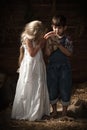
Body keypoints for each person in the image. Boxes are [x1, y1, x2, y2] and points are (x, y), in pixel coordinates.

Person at [11, 20, 50, 121]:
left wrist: (46, 40)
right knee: (29, 86)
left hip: (38, 64)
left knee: (39, 85)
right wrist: (40, 43)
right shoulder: (27, 38)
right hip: (30, 66)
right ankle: (27, 111)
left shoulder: (39, 37)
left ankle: (38, 111)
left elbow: (44, 50)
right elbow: (32, 53)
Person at [44, 15, 73, 117]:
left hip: (64, 68)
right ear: (52, 26)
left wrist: (59, 45)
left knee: (65, 88)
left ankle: (64, 113)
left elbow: (69, 53)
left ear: (64, 27)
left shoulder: (67, 39)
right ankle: (55, 111)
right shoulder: (50, 39)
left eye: (59, 27)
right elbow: (47, 54)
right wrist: (51, 44)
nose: (57, 29)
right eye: (55, 27)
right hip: (52, 68)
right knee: (52, 88)